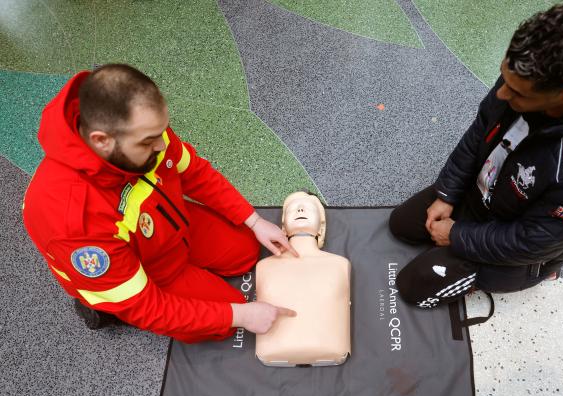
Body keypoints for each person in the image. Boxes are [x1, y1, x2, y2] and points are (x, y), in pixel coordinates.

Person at [389, 3, 563, 309]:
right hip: (481, 195)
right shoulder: (526, 71)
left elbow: (534, 240)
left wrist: (457, 235)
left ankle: (530, 275)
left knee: (413, 287)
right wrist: (447, 193)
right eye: (503, 78)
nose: (502, 95)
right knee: (400, 224)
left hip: (518, 248)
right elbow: (480, 132)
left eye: (518, 94)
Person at [22, 64, 297, 343]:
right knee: (225, 324)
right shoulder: (74, 223)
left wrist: (254, 220)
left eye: (161, 132)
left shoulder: (139, 130)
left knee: (247, 250)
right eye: (150, 141)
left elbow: (193, 172)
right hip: (148, 271)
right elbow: (145, 306)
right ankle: (103, 305)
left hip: (172, 224)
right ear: (102, 141)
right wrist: (240, 315)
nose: (163, 146)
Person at [255, 192, 350, 366]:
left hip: (330, 348)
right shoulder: (264, 266)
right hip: (272, 351)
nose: (299, 209)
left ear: (321, 226)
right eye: (293, 209)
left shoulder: (339, 264)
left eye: (308, 208)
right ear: (283, 226)